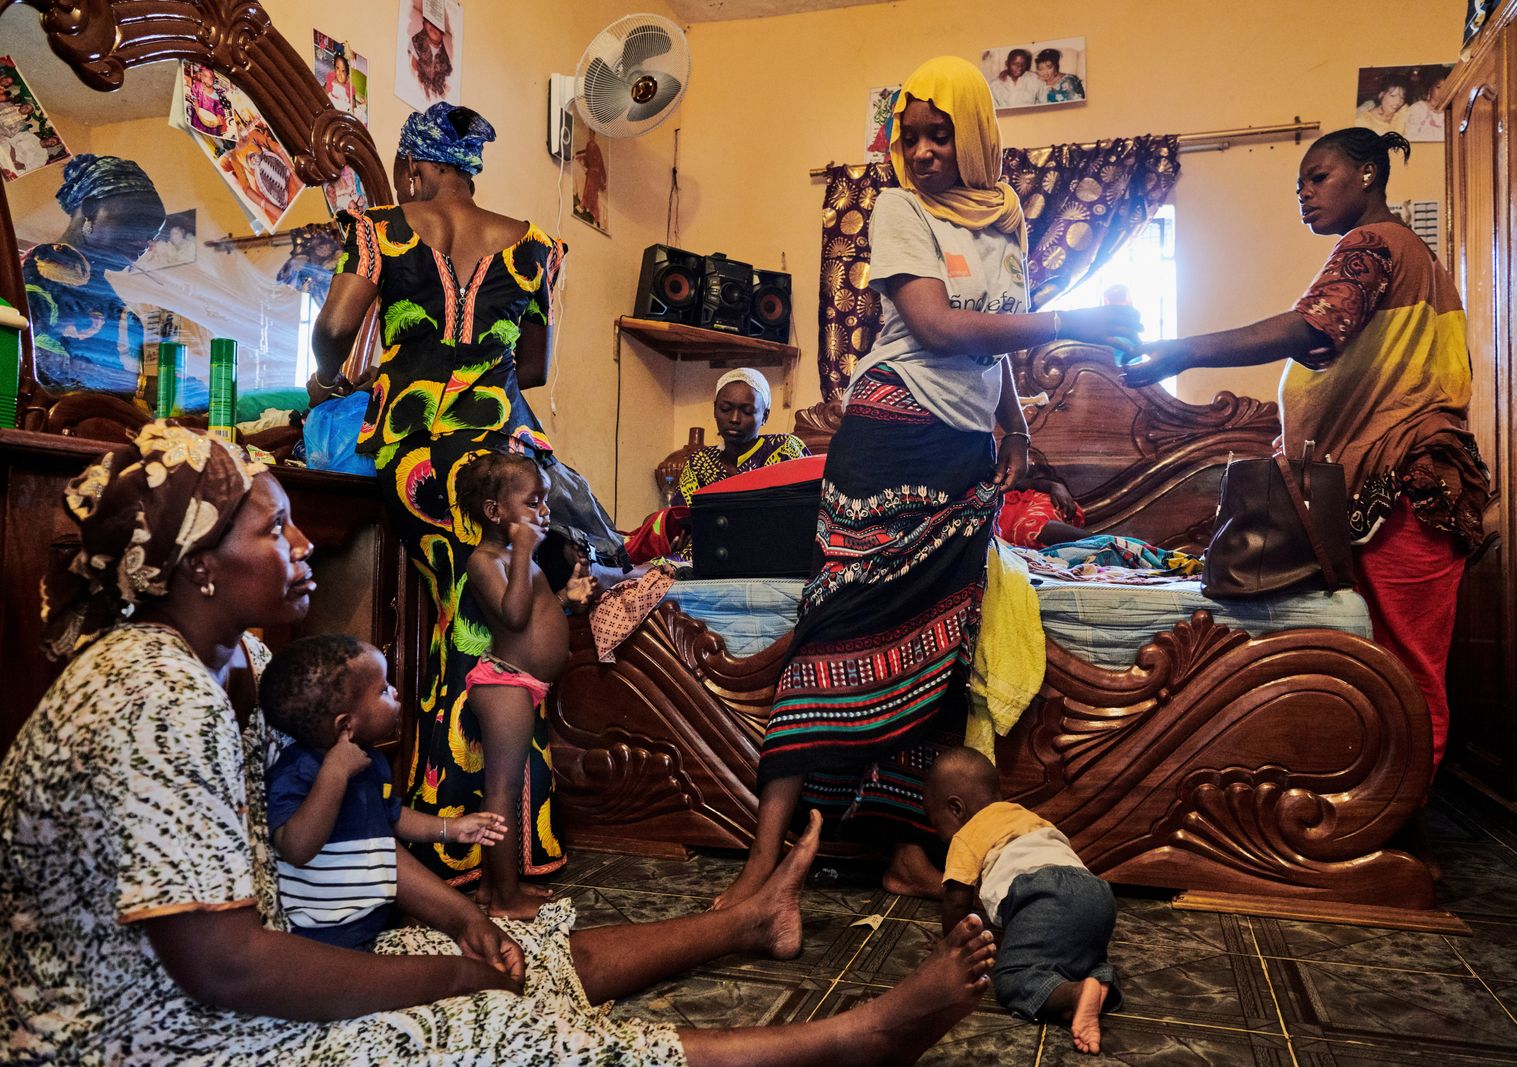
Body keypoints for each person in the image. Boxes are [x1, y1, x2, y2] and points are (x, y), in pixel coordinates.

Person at [0, 420, 1007, 1064]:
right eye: (272, 529)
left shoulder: (235, 663)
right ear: (196, 567)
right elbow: (226, 969)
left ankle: (736, 926)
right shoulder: (149, 695)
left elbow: (345, 837)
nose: (303, 545)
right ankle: (844, 1041)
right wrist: (446, 974)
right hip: (140, 1036)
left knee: (500, 944)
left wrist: (453, 924)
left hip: (234, 972)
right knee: (475, 1022)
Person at [713, 56, 1141, 910]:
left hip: (962, 463)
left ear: (975, 133)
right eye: (909, 137)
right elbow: (939, 326)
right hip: (888, 442)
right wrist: (1074, 319)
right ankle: (760, 868)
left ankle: (907, 852)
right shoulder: (899, 207)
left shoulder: (1008, 218)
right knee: (828, 637)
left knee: (938, 656)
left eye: (938, 134)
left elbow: (994, 343)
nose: (922, 151)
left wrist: (1012, 426)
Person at [1123, 128, 1488, 775]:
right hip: (1394, 486)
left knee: (1406, 673)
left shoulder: (1374, 244)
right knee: (1390, 667)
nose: (1304, 193)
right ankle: (1388, 822)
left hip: (1412, 485)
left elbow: (1313, 325)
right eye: (1299, 184)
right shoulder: (1405, 257)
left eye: (1318, 177)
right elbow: (1327, 346)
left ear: (1369, 173)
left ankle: (1404, 831)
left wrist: (1185, 349)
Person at [312, 102, 574, 889]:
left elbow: (333, 326)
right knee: (493, 625)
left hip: (421, 456)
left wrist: (338, 372)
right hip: (499, 463)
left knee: (466, 627)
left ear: (414, 171)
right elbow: (533, 367)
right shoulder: (536, 247)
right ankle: (515, 838)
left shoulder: (380, 228)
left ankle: (458, 840)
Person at [262, 633, 509, 947]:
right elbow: (295, 848)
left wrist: (450, 829)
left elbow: (392, 816)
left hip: (370, 922)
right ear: (345, 725)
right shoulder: (298, 770)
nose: (394, 691)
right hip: (321, 939)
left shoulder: (371, 762)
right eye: (382, 690)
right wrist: (334, 774)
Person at [458, 453, 596, 916]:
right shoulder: (484, 560)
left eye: (545, 502)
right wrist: (522, 552)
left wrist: (566, 598)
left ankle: (494, 888)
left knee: (512, 790)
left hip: (521, 685)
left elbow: (534, 612)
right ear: (495, 512)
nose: (544, 512)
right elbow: (512, 616)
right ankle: (505, 898)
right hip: (504, 686)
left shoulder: (519, 560)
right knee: (501, 791)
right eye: (533, 502)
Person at [926, 747, 1120, 1053]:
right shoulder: (1025, 816)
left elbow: (955, 899)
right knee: (1081, 955)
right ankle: (1098, 982)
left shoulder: (967, 834)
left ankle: (1075, 993)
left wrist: (952, 948)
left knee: (1012, 976)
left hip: (1043, 893)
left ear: (956, 809)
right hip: (1096, 893)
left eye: (937, 824)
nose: (940, 835)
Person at [21, 153, 166, 394]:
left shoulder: (93, 284)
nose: (144, 242)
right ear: (89, 208)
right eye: (136, 224)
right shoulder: (39, 272)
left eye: (151, 234)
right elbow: (41, 369)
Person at [672, 368, 809, 505]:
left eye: (747, 411)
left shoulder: (785, 450)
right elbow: (679, 516)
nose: (734, 419)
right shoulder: (699, 462)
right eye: (725, 409)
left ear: (765, 416)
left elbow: (812, 507)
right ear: (715, 409)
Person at [1404, 75, 1448, 141]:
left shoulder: (1451, 111)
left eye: (1446, 88)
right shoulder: (1417, 109)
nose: (1442, 91)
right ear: (1430, 88)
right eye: (1438, 87)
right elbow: (1409, 136)